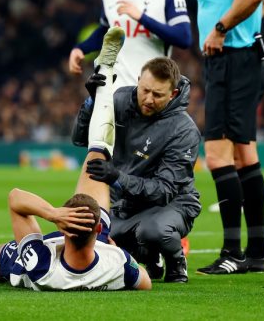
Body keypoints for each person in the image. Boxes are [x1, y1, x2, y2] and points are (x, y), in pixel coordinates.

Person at [0, 27, 152, 291]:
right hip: (89, 249)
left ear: (65, 228)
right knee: (98, 157)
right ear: (100, 229)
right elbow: (145, 282)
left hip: (47, 253)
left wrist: (53, 214)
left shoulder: (41, 267)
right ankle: (105, 73)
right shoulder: (115, 263)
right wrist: (118, 252)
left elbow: (15, 197)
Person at [71, 55, 201, 283]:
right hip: (128, 204)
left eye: (158, 95)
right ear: (139, 80)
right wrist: (93, 101)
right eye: (145, 90)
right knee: (96, 239)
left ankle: (176, 260)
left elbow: (164, 190)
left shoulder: (184, 130)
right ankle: (151, 258)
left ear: (174, 94)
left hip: (173, 203)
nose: (149, 99)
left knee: (153, 231)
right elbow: (80, 139)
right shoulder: (119, 99)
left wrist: (117, 177)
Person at [196, 0, 264, 275]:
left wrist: (222, 28)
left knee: (216, 153)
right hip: (240, 59)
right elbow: (262, 4)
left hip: (231, 60)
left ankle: (232, 253)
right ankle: (257, 253)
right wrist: (242, 26)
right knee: (243, 155)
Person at [68, 0, 192, 88]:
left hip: (151, 91)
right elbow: (106, 31)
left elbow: (184, 37)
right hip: (115, 90)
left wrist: (141, 17)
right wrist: (80, 49)